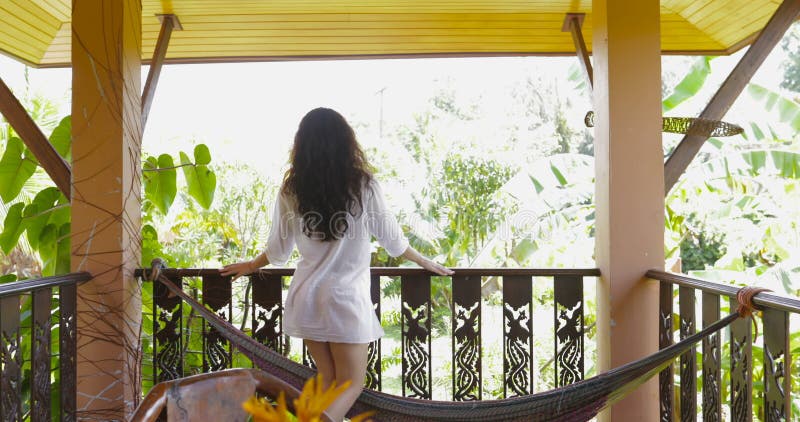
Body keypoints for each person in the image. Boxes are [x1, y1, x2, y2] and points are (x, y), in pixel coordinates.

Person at [221, 107, 452, 421]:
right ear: (346, 142)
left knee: (329, 382)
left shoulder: (292, 188)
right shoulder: (363, 185)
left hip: (307, 297)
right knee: (352, 382)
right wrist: (424, 261)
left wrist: (251, 265)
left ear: (302, 145)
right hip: (344, 300)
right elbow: (393, 241)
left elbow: (278, 250)